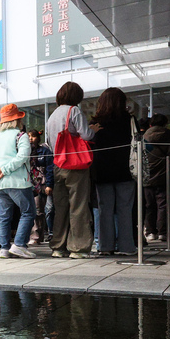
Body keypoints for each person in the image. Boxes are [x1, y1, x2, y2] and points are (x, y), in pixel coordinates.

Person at [45, 82, 100, 258]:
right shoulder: (73, 111)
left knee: (60, 207)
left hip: (57, 164)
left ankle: (58, 247)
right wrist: (93, 130)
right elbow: (85, 135)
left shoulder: (52, 115)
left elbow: (49, 141)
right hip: (75, 165)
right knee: (79, 205)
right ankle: (78, 248)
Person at [0, 104, 37, 259]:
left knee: (4, 216)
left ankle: (4, 248)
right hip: (17, 181)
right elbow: (23, 156)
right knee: (29, 212)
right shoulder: (21, 135)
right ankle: (19, 244)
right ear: (17, 119)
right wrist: (4, 170)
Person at [89, 88, 136, 255]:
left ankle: (105, 246)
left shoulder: (96, 122)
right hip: (125, 170)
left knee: (104, 210)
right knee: (125, 209)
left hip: (103, 171)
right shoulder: (130, 120)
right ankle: (127, 246)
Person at [143, 113, 170, 242]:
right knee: (164, 205)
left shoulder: (143, 138)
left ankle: (150, 231)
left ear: (150, 124)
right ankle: (163, 232)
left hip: (147, 175)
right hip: (165, 174)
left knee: (149, 205)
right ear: (165, 124)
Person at [27, 130, 55, 244]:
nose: (30, 139)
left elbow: (50, 169)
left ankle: (38, 235)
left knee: (41, 210)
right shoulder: (25, 151)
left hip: (41, 183)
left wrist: (49, 184)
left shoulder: (44, 151)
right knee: (33, 210)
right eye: (29, 136)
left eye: (33, 136)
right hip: (29, 183)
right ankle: (35, 235)